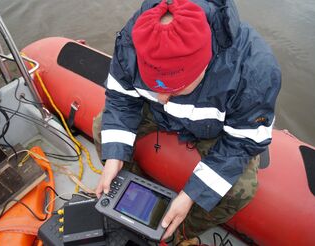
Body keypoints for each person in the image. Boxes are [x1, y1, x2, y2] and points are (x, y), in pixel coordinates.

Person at [93, 0, 281, 244]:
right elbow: (121, 97)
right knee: (102, 131)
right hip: (158, 115)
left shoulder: (255, 70)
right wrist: (115, 156)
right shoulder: (133, 40)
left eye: (175, 89)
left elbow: (243, 141)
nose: (162, 97)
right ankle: (132, 200)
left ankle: (179, 233)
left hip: (215, 129)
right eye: (154, 85)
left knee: (238, 190)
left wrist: (191, 195)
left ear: (204, 64)